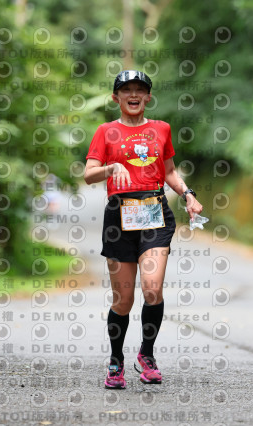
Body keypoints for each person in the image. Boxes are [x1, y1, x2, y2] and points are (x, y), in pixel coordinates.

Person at [84, 70, 203, 389]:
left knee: (152, 289)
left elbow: (169, 171)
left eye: (140, 89)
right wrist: (112, 167)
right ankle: (116, 361)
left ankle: (146, 355)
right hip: (118, 216)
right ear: (116, 97)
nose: (133, 94)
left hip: (154, 211)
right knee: (123, 299)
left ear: (148, 97)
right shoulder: (105, 131)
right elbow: (89, 174)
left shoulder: (161, 129)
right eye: (126, 90)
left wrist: (188, 195)